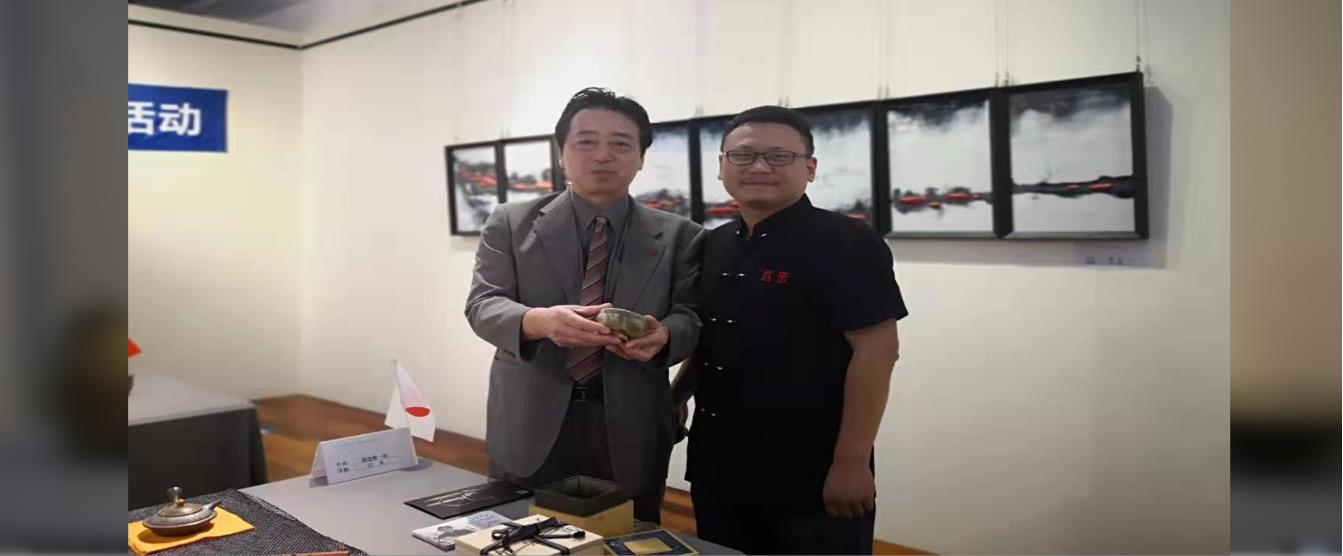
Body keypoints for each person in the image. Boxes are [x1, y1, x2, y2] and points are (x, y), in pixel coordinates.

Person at [672, 105, 908, 553]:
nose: (759, 167)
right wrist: (677, 394)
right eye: (743, 155)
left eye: (779, 156)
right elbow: (714, 337)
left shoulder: (847, 242)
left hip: (810, 467)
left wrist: (852, 463)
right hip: (718, 461)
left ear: (810, 168)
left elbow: (878, 353)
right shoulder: (714, 244)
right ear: (722, 166)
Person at [465, 87, 704, 523]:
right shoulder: (511, 223)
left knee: (628, 536)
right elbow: (483, 305)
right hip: (530, 414)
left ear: (641, 157)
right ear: (562, 153)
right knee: (518, 537)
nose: (602, 155)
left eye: (620, 144)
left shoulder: (681, 235)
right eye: (586, 141)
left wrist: (666, 336)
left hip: (632, 419)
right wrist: (539, 321)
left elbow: (691, 317)